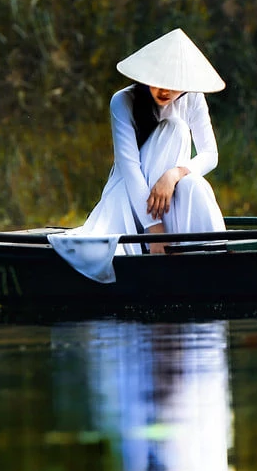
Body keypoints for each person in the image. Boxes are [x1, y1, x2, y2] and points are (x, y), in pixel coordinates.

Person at [50, 29, 226, 283]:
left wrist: (174, 174)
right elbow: (129, 169)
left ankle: (215, 259)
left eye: (174, 83)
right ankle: (162, 236)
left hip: (169, 194)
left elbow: (210, 154)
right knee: (174, 129)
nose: (165, 90)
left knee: (195, 183)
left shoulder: (194, 99)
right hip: (133, 202)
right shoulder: (123, 101)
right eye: (159, 80)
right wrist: (153, 231)